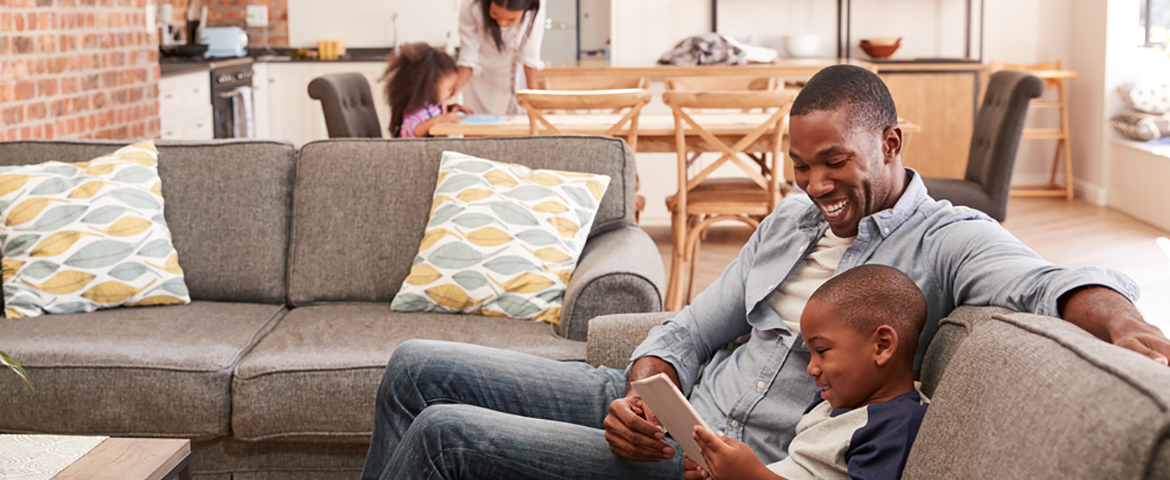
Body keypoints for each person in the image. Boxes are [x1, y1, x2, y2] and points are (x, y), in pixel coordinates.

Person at [359, 65, 1170, 480]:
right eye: (800, 166)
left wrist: (1125, 323)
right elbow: (692, 325)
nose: (815, 186)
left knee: (445, 435)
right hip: (667, 410)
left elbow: (1044, 281)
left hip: (716, 459)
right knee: (413, 366)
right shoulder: (789, 217)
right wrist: (646, 389)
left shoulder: (947, 238)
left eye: (834, 163)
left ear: (892, 144)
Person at [684, 264, 929, 480]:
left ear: (882, 346)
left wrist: (754, 475)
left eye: (822, 350)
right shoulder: (830, 402)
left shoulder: (895, 425)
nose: (811, 368)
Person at [454, 0, 545, 115]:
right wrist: (451, 91)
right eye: (495, 14)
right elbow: (468, 57)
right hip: (481, 82)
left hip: (517, 83)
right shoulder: (470, 4)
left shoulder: (537, 5)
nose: (501, 23)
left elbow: (529, 59)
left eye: (511, 19)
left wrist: (535, 104)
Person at [383, 43, 469, 139]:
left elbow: (434, 116)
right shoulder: (416, 110)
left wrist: (449, 109)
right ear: (432, 85)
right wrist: (440, 119)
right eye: (448, 89)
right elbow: (411, 130)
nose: (450, 94)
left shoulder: (431, 107)